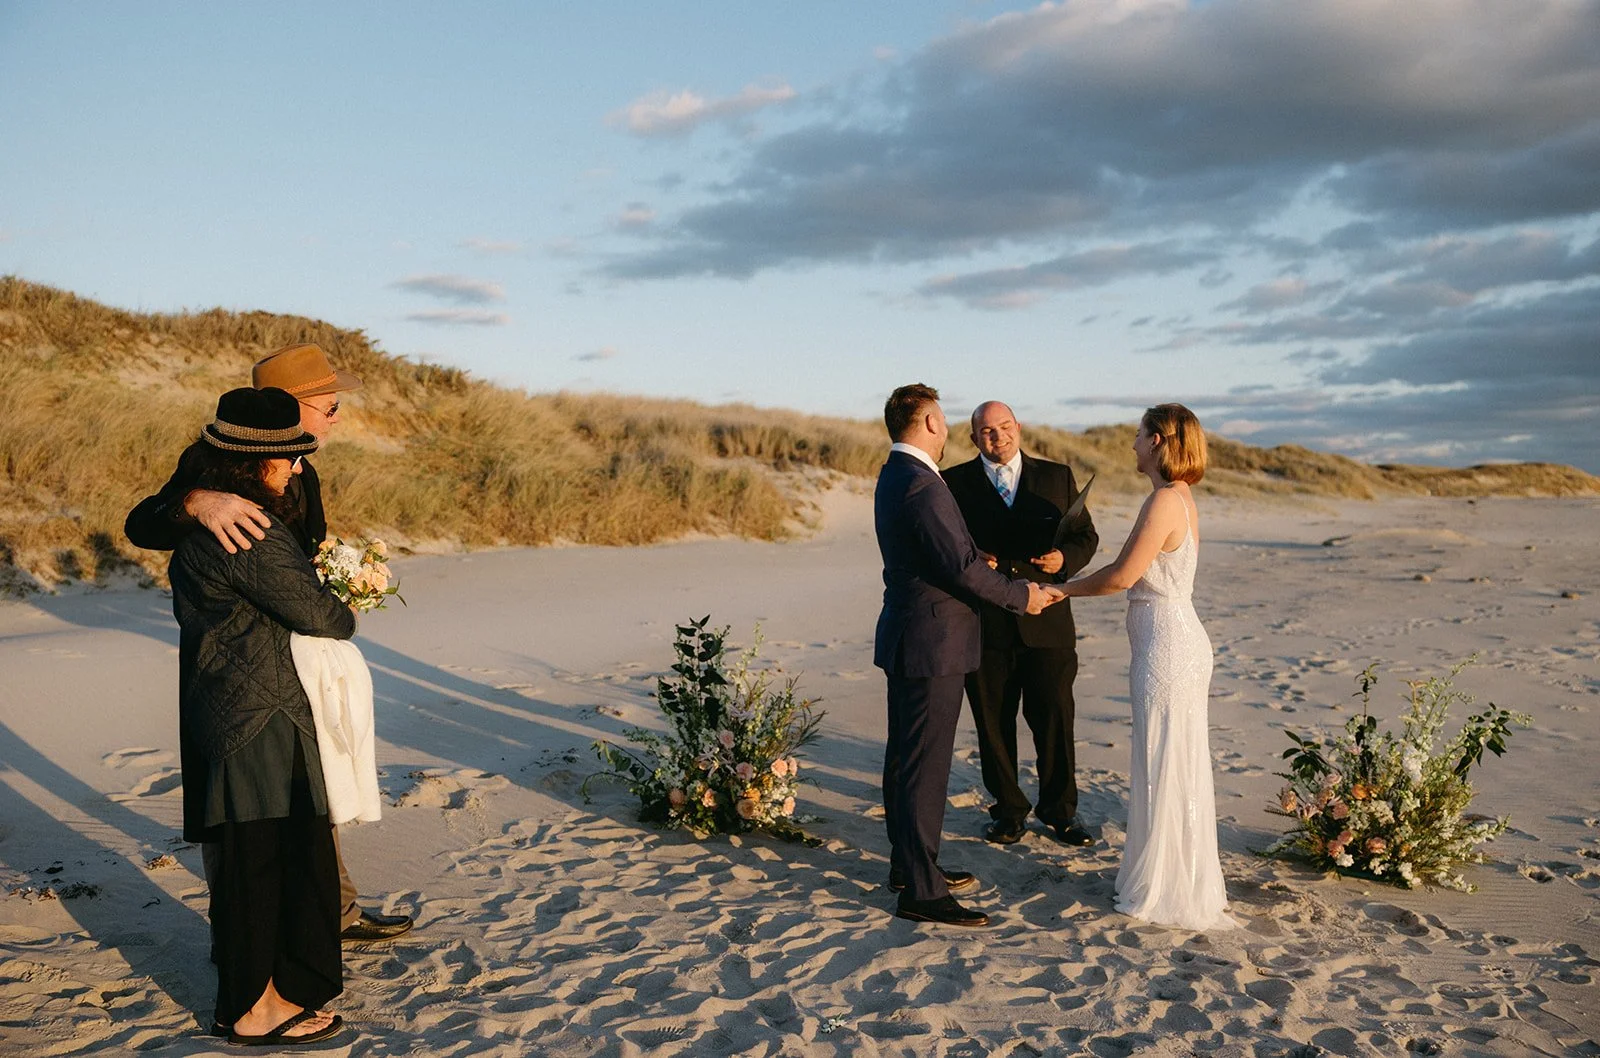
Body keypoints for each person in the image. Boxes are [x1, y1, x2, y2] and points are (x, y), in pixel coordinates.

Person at [125, 342, 414, 944]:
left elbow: (304, 548)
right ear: (294, 405)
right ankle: (240, 933)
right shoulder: (212, 463)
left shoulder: (301, 467)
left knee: (312, 780)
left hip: (293, 650)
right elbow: (142, 524)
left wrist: (331, 579)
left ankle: (332, 910)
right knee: (235, 801)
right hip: (230, 655)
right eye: (331, 407)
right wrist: (195, 500)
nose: (338, 417)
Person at [170, 387, 352, 1045]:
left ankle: (274, 991)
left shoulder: (211, 520)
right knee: (259, 860)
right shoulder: (248, 529)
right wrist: (335, 599)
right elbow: (324, 615)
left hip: (230, 700)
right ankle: (249, 1009)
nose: (298, 469)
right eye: (288, 459)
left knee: (262, 855)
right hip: (260, 714)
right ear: (255, 463)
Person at [872, 384, 1060, 928]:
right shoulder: (922, 485)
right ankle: (921, 892)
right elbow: (958, 568)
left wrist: (986, 561)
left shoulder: (897, 474)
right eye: (945, 419)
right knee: (923, 768)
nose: (949, 429)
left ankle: (910, 866)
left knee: (907, 759)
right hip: (932, 642)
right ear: (929, 422)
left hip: (915, 636)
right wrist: (1020, 595)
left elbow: (950, 554)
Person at [1054, 404, 1238, 930]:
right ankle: (1175, 874)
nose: (1132, 444)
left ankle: (1170, 887)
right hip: (1171, 640)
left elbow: (1121, 575)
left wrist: (1060, 589)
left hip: (1168, 649)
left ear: (1158, 441)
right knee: (1168, 758)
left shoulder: (1163, 500)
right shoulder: (1179, 497)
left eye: (1137, 435)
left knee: (1164, 760)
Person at [943, 401, 1098, 848]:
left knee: (1054, 717)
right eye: (987, 432)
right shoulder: (953, 483)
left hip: (1048, 622)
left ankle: (1060, 812)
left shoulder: (1057, 477)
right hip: (985, 624)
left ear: (1019, 427)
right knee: (993, 722)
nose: (998, 437)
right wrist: (975, 559)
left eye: (1005, 427)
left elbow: (1084, 536)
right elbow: (949, 546)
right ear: (974, 439)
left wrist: (1065, 559)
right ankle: (1008, 811)